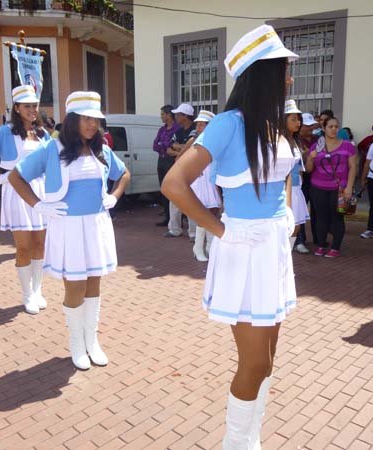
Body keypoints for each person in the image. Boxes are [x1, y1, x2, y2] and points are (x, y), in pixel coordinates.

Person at [161, 24, 298, 448]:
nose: (290, 78)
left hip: (273, 246)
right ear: (263, 74)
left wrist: (286, 211)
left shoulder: (274, 125)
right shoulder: (227, 125)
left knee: (268, 360)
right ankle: (235, 443)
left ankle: (250, 439)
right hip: (244, 247)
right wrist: (221, 229)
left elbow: (282, 176)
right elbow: (174, 183)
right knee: (254, 362)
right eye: (283, 70)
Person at [9, 91, 131, 370]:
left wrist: (114, 196)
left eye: (95, 119)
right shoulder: (51, 149)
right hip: (68, 227)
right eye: (86, 118)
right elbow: (16, 177)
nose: (92, 124)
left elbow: (124, 174)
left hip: (97, 225)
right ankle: (76, 343)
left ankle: (92, 340)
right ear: (72, 119)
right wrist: (39, 205)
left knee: (94, 285)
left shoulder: (101, 149)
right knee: (75, 286)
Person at [0, 85, 50, 315]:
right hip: (16, 191)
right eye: (27, 106)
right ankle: (27, 294)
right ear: (16, 108)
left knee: (40, 244)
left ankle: (37, 289)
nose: (32, 110)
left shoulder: (42, 133)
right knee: (24, 247)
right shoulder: (5, 132)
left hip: (40, 190)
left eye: (34, 105)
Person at [305, 116, 358, 257]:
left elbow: (353, 167)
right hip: (318, 187)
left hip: (339, 189)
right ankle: (321, 245)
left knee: (337, 218)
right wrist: (310, 158)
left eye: (336, 126)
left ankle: (335, 247)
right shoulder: (316, 147)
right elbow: (309, 169)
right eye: (330, 126)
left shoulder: (348, 146)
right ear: (323, 128)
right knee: (320, 217)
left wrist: (349, 187)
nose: (334, 129)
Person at [183, 109, 221, 261]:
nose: (198, 128)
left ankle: (209, 246)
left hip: (212, 180)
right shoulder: (196, 141)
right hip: (201, 180)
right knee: (202, 214)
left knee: (213, 213)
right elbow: (184, 159)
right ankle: (198, 247)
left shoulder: (214, 141)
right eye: (197, 125)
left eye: (201, 125)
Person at [165, 103, 196, 238]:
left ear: (185, 116)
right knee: (174, 198)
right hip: (178, 170)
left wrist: (179, 149)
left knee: (191, 200)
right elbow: (169, 148)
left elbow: (192, 147)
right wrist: (182, 150)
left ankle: (193, 233)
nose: (176, 117)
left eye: (178, 114)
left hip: (191, 171)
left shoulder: (195, 130)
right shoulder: (178, 131)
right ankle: (174, 229)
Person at [284, 100, 310, 252]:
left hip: (296, 188)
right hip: (283, 190)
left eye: (299, 119)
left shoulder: (295, 140)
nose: (298, 122)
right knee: (287, 227)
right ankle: (281, 258)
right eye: (293, 119)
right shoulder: (278, 141)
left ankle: (285, 256)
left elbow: (299, 167)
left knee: (296, 227)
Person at [153, 104, 180, 226]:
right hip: (162, 161)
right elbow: (155, 145)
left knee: (173, 190)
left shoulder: (177, 129)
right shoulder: (162, 130)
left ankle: (177, 220)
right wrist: (165, 145)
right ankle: (167, 217)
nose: (161, 117)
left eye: (163, 114)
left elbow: (173, 145)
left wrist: (164, 145)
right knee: (164, 190)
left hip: (172, 161)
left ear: (169, 115)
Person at [296, 112, 319, 250]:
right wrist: (305, 155)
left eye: (312, 125)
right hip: (301, 180)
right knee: (300, 210)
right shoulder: (294, 140)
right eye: (307, 126)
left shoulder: (318, 139)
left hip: (316, 178)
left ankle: (318, 237)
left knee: (316, 209)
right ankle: (300, 240)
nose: (310, 128)